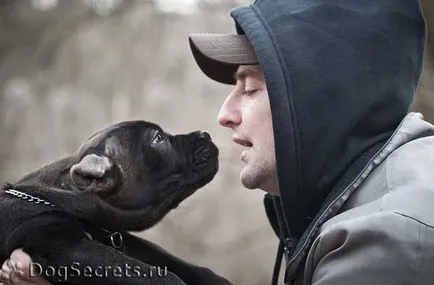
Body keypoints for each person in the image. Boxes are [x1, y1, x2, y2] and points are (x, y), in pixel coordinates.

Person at [3, 0, 434, 284]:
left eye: (248, 88)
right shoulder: (355, 204)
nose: (224, 113)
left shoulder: (388, 238)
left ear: (319, 100)